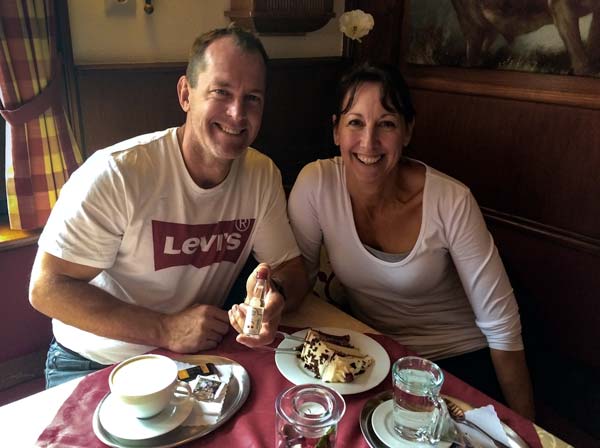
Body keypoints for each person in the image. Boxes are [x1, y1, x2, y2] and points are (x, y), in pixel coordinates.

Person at [29, 26, 308, 388]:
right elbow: (47, 287)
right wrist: (165, 328)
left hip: (187, 362)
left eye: (252, 98)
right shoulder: (118, 172)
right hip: (91, 362)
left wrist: (276, 299)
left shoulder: (260, 174)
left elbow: (292, 270)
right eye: (221, 92)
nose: (238, 114)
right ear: (185, 95)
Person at [287, 63, 535, 419]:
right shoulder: (316, 185)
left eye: (386, 124)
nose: (368, 142)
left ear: (407, 131)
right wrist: (268, 295)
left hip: (458, 362)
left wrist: (526, 428)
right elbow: (299, 279)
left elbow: (502, 327)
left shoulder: (451, 200)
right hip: (377, 358)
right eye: (355, 122)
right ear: (336, 131)